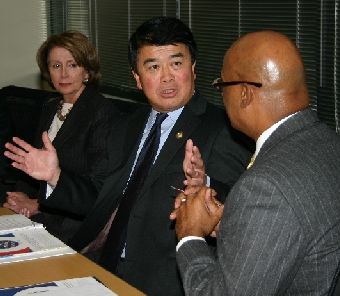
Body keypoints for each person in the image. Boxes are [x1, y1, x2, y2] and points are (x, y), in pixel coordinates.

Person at [4, 17, 252, 295]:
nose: (167, 76)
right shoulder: (127, 125)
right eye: (154, 67)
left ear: (193, 69)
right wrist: (55, 176)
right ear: (137, 78)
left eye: (176, 63)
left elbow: (244, 214)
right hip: (97, 262)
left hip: (163, 281)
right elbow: (101, 198)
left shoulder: (222, 129)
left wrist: (205, 184)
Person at [170, 30, 340, 295]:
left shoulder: (266, 186)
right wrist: (233, 224)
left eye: (222, 85)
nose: (221, 96)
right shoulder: (338, 147)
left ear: (244, 94)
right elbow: (299, 232)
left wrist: (190, 235)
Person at [3, 31, 119, 243]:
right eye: (56, 66)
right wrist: (17, 198)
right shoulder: (50, 107)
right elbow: (35, 165)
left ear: (87, 71)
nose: (64, 74)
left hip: (72, 225)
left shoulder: (102, 112)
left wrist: (37, 205)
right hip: (41, 216)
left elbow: (96, 191)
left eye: (72, 65)